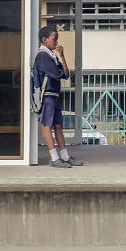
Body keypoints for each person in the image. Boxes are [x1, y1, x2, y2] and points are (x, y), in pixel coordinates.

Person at [34, 25, 83, 168]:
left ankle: (65, 156)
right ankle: (54, 158)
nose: (56, 42)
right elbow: (56, 74)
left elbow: (66, 74)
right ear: (45, 40)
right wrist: (59, 70)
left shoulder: (53, 56)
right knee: (47, 125)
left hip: (54, 95)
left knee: (58, 125)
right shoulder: (42, 56)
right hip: (47, 95)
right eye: (54, 39)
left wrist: (62, 56)